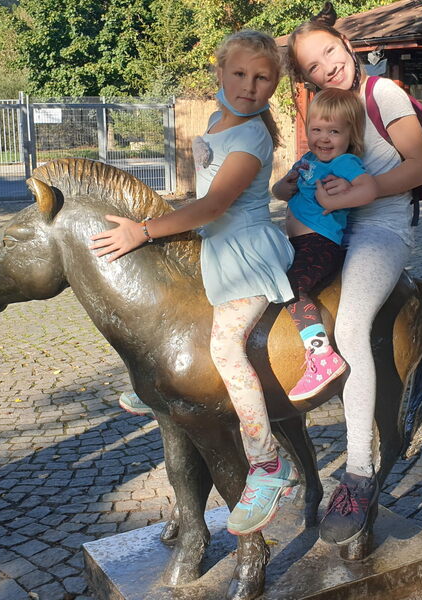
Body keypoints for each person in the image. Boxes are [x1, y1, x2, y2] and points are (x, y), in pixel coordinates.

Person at [90, 30, 299, 536]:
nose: (249, 85)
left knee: (226, 346)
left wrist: (143, 230)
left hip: (245, 253)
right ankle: (160, 385)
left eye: (262, 78)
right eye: (240, 73)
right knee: (176, 308)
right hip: (215, 247)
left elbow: (214, 205)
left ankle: (268, 464)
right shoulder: (215, 121)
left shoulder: (252, 136)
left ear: (275, 85)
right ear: (220, 72)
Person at [282, 5, 422, 548]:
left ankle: (358, 473)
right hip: (334, 227)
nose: (327, 66)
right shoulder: (329, 111)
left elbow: (421, 165)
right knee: (268, 285)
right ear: (307, 79)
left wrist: (364, 190)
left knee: (348, 327)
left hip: (381, 227)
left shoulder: (382, 94)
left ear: (346, 44)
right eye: (313, 66)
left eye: (329, 51)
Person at [272, 87, 377, 401]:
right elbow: (278, 193)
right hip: (297, 243)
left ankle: (322, 357)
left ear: (350, 134)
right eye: (317, 130)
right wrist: (287, 183)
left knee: (292, 288)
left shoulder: (344, 162)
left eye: (334, 131)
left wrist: (334, 201)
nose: (324, 138)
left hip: (321, 243)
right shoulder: (306, 160)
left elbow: (369, 189)